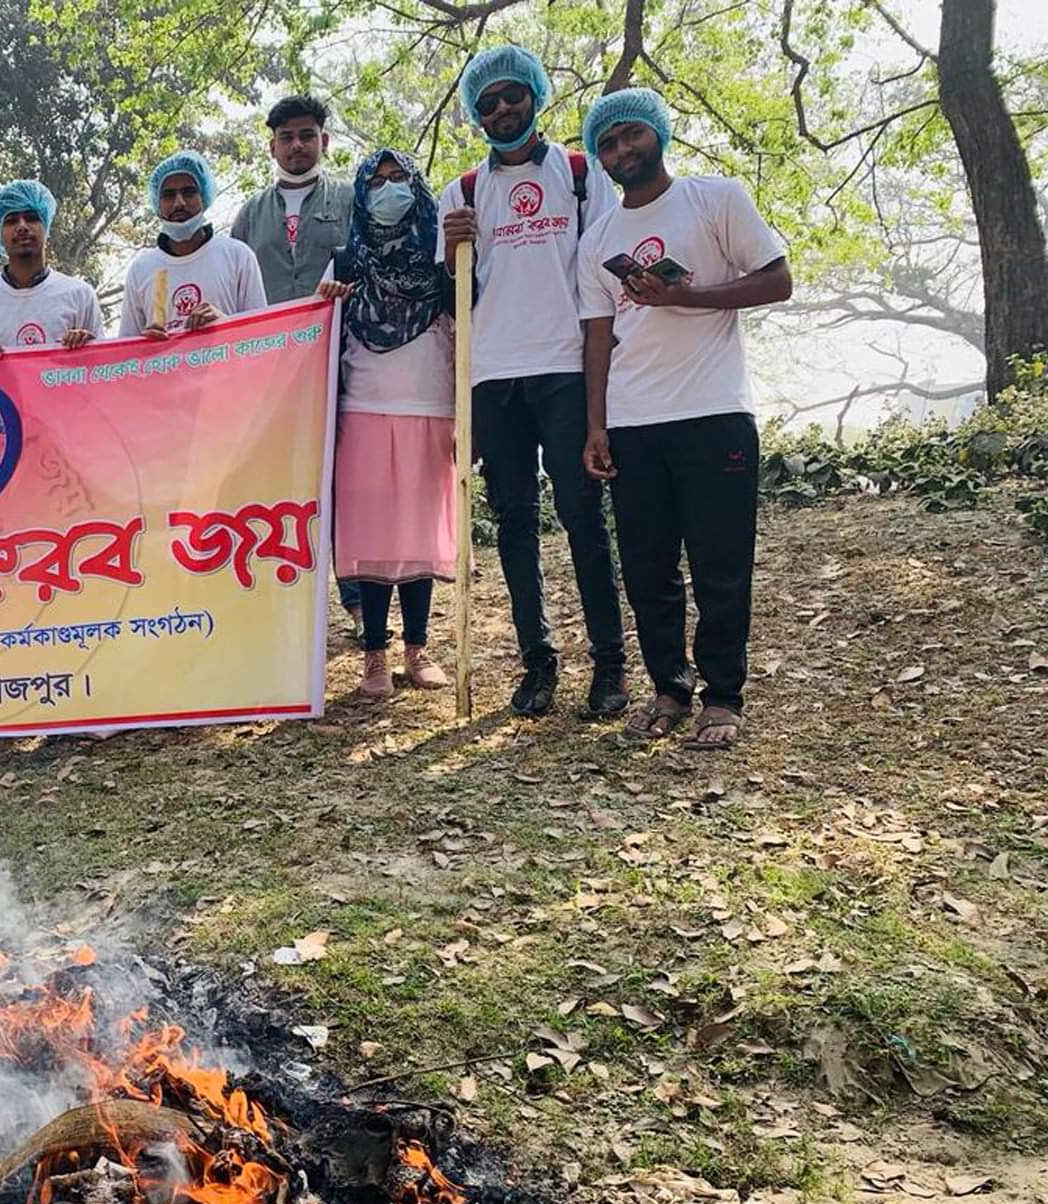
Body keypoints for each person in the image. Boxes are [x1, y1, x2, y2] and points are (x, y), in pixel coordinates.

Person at [577, 88, 790, 750]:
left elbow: (777, 279)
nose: (621, 150)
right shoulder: (598, 240)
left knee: (721, 561)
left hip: (714, 413)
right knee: (647, 569)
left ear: (658, 134)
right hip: (634, 422)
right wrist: (596, 425)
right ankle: (669, 686)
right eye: (607, 144)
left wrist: (685, 295)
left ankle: (723, 696)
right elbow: (597, 337)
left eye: (631, 135)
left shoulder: (715, 198)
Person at [438, 45, 627, 720]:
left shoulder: (580, 175)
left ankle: (611, 667)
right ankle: (538, 666)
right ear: (475, 115)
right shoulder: (459, 194)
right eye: (487, 103)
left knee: (582, 517)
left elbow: (609, 270)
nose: (502, 109)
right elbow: (448, 300)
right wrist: (457, 246)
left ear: (535, 96)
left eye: (513, 95)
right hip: (493, 376)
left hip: (565, 368)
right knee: (514, 524)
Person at [316, 149, 455, 701]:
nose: (388, 189)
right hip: (363, 409)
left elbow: (466, 318)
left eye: (399, 179)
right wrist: (326, 304)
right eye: (377, 182)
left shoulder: (443, 256)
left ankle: (417, 651)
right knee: (373, 539)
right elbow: (316, 333)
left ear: (417, 187)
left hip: (429, 406)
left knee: (416, 536)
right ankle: (374, 655)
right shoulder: (347, 261)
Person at [230, 94, 362, 635]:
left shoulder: (353, 201)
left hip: (342, 366)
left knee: (343, 482)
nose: (297, 145)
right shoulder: (248, 215)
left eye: (307, 135)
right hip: (270, 380)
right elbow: (234, 295)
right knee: (279, 489)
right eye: (287, 137)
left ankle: (357, 606)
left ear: (324, 142)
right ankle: (279, 612)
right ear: (272, 146)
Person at [117, 151, 266, 339]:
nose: (179, 203)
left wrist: (225, 325)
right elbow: (126, 352)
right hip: (167, 369)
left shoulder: (237, 256)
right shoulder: (142, 269)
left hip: (227, 368)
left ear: (203, 197)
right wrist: (146, 345)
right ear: (157, 204)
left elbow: (262, 338)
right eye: (168, 195)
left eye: (188, 192)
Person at [0, 180, 102, 353]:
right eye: (11, 221)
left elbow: (99, 372)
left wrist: (88, 348)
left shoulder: (80, 295)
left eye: (31, 218)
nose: (22, 226)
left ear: (46, 227)